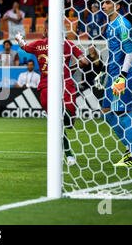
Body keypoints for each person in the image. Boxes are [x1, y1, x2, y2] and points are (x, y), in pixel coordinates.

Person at [16, 19, 89, 166]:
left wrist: (19, 37)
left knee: (59, 123)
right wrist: (72, 67)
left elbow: (23, 46)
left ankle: (68, 153)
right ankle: (68, 154)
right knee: (64, 122)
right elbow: (85, 61)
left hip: (46, 88)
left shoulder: (38, 44)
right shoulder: (68, 44)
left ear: (46, 30)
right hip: (65, 86)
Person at [94, 0, 132, 167]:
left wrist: (122, 75)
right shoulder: (111, 24)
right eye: (103, 2)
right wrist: (105, 71)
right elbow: (115, 52)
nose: (103, 5)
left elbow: (130, 52)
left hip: (122, 76)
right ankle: (129, 149)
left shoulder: (123, 25)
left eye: (107, 2)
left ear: (117, 5)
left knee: (123, 112)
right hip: (112, 74)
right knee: (106, 110)